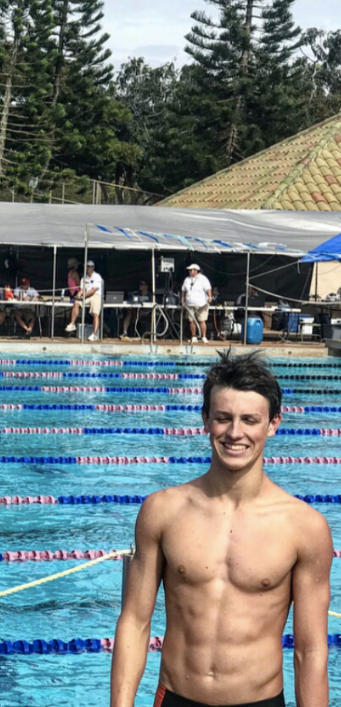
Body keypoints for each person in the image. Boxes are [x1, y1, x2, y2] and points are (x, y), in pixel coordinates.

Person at [111, 351, 331, 707]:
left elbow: (310, 650)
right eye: (223, 418)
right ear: (205, 420)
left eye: (250, 420)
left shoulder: (304, 527)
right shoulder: (163, 511)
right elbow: (135, 622)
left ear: (273, 424)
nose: (235, 433)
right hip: (177, 698)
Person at [65, 260, 104, 341]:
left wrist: (83, 295)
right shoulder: (84, 277)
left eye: (89, 267)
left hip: (96, 295)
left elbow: (93, 290)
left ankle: (94, 334)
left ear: (93, 267)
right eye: (86, 266)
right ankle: (72, 324)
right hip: (86, 295)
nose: (87, 268)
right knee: (76, 303)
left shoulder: (97, 277)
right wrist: (80, 293)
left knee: (95, 314)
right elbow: (82, 289)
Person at [182, 263, 213, 343]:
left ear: (195, 271)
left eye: (191, 270)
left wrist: (209, 297)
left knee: (202, 320)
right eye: (189, 270)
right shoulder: (187, 279)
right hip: (189, 303)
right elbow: (183, 290)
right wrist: (182, 300)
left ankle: (203, 337)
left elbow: (208, 288)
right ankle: (194, 337)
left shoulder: (203, 278)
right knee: (191, 321)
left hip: (201, 303)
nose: (189, 271)